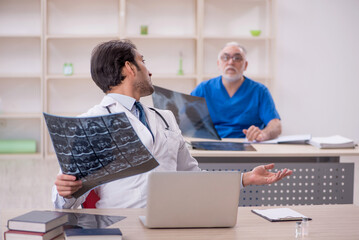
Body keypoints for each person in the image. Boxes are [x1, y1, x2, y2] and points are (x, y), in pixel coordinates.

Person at [52, 40, 292, 209]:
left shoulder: (164, 117)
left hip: (170, 222)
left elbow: (192, 177)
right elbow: (62, 199)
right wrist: (64, 191)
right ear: (129, 68)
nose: (150, 71)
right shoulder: (90, 121)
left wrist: (245, 178)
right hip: (121, 226)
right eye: (143, 61)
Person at [191, 42, 281, 142]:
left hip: (247, 143)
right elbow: (185, 119)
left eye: (237, 58)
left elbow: (276, 125)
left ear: (245, 65)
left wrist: (263, 134)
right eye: (225, 58)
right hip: (211, 143)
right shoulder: (203, 89)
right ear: (218, 64)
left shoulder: (260, 91)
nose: (230, 62)